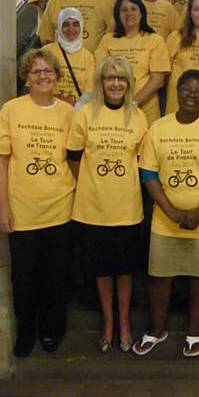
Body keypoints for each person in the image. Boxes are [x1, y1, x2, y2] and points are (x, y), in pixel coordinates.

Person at [134, 70, 199, 357]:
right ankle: (157, 330)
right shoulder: (159, 128)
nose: (192, 95)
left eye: (198, 91)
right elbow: (148, 172)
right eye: (187, 90)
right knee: (159, 278)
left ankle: (193, 330)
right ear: (177, 91)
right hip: (165, 222)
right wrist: (170, 210)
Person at [0, 49, 75, 358]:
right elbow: (0, 162)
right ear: (26, 77)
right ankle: (26, 332)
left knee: (55, 275)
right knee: (24, 277)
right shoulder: (11, 110)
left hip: (60, 206)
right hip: (22, 210)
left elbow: (75, 159)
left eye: (48, 71)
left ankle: (52, 330)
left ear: (57, 77)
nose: (42, 76)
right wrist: (3, 207)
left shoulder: (68, 112)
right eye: (36, 71)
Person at [67, 56, 148, 353]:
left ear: (128, 83)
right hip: (92, 209)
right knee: (101, 270)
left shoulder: (137, 116)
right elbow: (74, 158)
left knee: (125, 269)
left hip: (127, 207)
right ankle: (108, 323)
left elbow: (143, 161)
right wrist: (93, 184)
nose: (116, 83)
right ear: (101, 82)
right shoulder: (85, 113)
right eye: (110, 78)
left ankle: (125, 322)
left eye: (121, 78)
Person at [95, 0, 170, 124]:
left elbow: (157, 80)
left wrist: (131, 104)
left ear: (141, 14)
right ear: (118, 16)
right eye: (124, 10)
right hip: (111, 109)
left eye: (133, 9)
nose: (129, 13)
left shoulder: (155, 40)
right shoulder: (107, 40)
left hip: (145, 110)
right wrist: (116, 106)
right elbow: (100, 74)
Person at [165, 0, 199, 113]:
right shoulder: (176, 36)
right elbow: (165, 73)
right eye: (196, 9)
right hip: (177, 101)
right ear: (190, 13)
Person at [42, 7, 95, 106]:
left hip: (76, 111)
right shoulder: (46, 52)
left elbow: (89, 92)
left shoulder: (88, 56)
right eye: (66, 24)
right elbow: (34, 84)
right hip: (48, 108)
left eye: (75, 24)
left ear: (82, 27)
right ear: (59, 27)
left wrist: (77, 105)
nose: (71, 29)